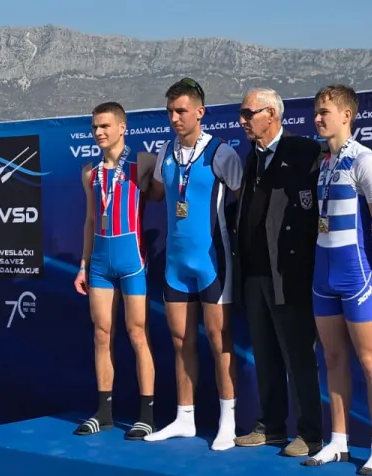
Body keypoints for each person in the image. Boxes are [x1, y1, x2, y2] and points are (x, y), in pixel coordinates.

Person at [300, 84, 372, 476]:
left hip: (355, 277)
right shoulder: (323, 161)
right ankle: (338, 441)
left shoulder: (365, 160)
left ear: (347, 115)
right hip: (322, 275)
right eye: (315, 112)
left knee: (371, 361)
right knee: (332, 357)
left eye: (324, 112)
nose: (317, 118)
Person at [140, 77, 244, 450]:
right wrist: (138, 172)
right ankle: (185, 418)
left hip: (212, 261)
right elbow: (154, 192)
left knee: (219, 340)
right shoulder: (164, 152)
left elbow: (244, 202)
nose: (174, 118)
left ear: (200, 112)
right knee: (180, 340)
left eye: (181, 111)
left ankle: (228, 423)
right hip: (176, 264)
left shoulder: (222, 153)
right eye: (170, 111)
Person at [231, 88, 326, 457]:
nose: (242, 120)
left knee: (298, 355)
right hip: (254, 273)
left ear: (271, 114)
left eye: (248, 113)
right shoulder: (252, 156)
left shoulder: (304, 151)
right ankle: (271, 426)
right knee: (264, 353)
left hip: (289, 274)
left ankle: (310, 434)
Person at [72, 101, 158, 440]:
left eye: (105, 126)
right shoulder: (89, 172)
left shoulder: (144, 163)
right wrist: (83, 265)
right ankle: (104, 413)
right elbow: (90, 219)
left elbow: (164, 191)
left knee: (137, 334)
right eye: (95, 127)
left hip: (132, 262)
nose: (98, 132)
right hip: (99, 264)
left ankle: (147, 415)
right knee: (101, 334)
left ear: (123, 128)